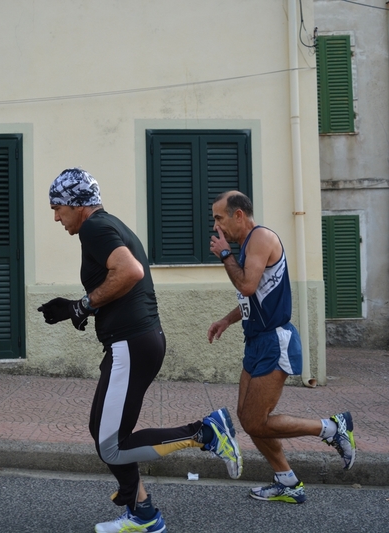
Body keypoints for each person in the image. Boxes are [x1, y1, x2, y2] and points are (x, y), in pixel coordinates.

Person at [38, 168, 243, 533]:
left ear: (75, 204)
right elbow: (118, 281)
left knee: (111, 444)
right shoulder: (108, 224)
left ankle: (205, 433)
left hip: (131, 343)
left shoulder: (94, 228)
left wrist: (82, 306)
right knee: (105, 432)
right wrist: (78, 306)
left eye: (57, 207)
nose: (55, 216)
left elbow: (129, 272)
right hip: (136, 342)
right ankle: (142, 512)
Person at [207, 190, 355, 504]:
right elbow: (254, 294)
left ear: (238, 215)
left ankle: (331, 428)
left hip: (276, 341)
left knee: (257, 420)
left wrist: (224, 255)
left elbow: (246, 284)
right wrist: (226, 320)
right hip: (257, 341)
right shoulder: (248, 246)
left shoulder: (260, 238)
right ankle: (286, 480)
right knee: (248, 418)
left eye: (219, 218)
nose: (217, 227)